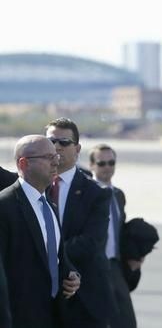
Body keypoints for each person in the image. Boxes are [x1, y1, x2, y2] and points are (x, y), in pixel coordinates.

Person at [0, 135, 81, 328]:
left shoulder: (48, 205)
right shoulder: (5, 207)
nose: (56, 162)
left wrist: (71, 274)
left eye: (56, 157)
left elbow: (53, 256)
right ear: (23, 163)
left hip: (54, 316)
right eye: (48, 157)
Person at [45, 118, 115, 328]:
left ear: (77, 148)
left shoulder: (97, 193)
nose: (57, 146)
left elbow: (91, 242)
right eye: (51, 141)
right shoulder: (33, 187)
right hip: (41, 299)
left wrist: (48, 257)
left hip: (84, 299)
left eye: (64, 142)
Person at [89, 143, 140, 328]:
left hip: (114, 265)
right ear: (92, 165)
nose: (107, 168)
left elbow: (120, 229)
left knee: (125, 319)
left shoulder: (118, 194)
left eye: (111, 163)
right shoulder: (87, 192)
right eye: (102, 163)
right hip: (92, 266)